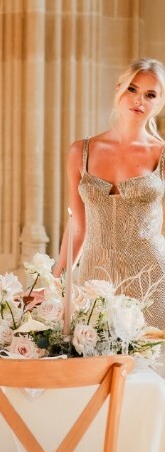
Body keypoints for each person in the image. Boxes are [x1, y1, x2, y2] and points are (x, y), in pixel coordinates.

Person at [54, 57, 165, 327]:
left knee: (150, 364)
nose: (139, 100)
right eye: (132, 89)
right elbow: (78, 227)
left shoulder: (161, 154)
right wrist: (54, 279)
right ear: (118, 88)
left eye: (150, 95)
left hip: (151, 281)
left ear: (159, 103)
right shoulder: (80, 151)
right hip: (93, 281)